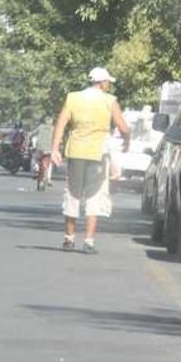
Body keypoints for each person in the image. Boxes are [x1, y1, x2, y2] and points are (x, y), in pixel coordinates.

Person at [51, 67, 131, 254]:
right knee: (95, 196)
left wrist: (55, 148)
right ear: (103, 83)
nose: (109, 85)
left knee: (73, 193)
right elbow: (122, 127)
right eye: (108, 82)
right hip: (98, 153)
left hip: (76, 150)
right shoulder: (109, 101)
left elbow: (61, 123)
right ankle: (88, 241)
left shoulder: (73, 97)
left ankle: (69, 239)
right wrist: (127, 141)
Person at [31, 120, 55, 189]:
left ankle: (36, 169)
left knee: (34, 158)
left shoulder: (40, 127)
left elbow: (32, 134)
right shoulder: (54, 129)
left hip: (40, 148)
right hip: (49, 149)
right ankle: (49, 178)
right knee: (49, 163)